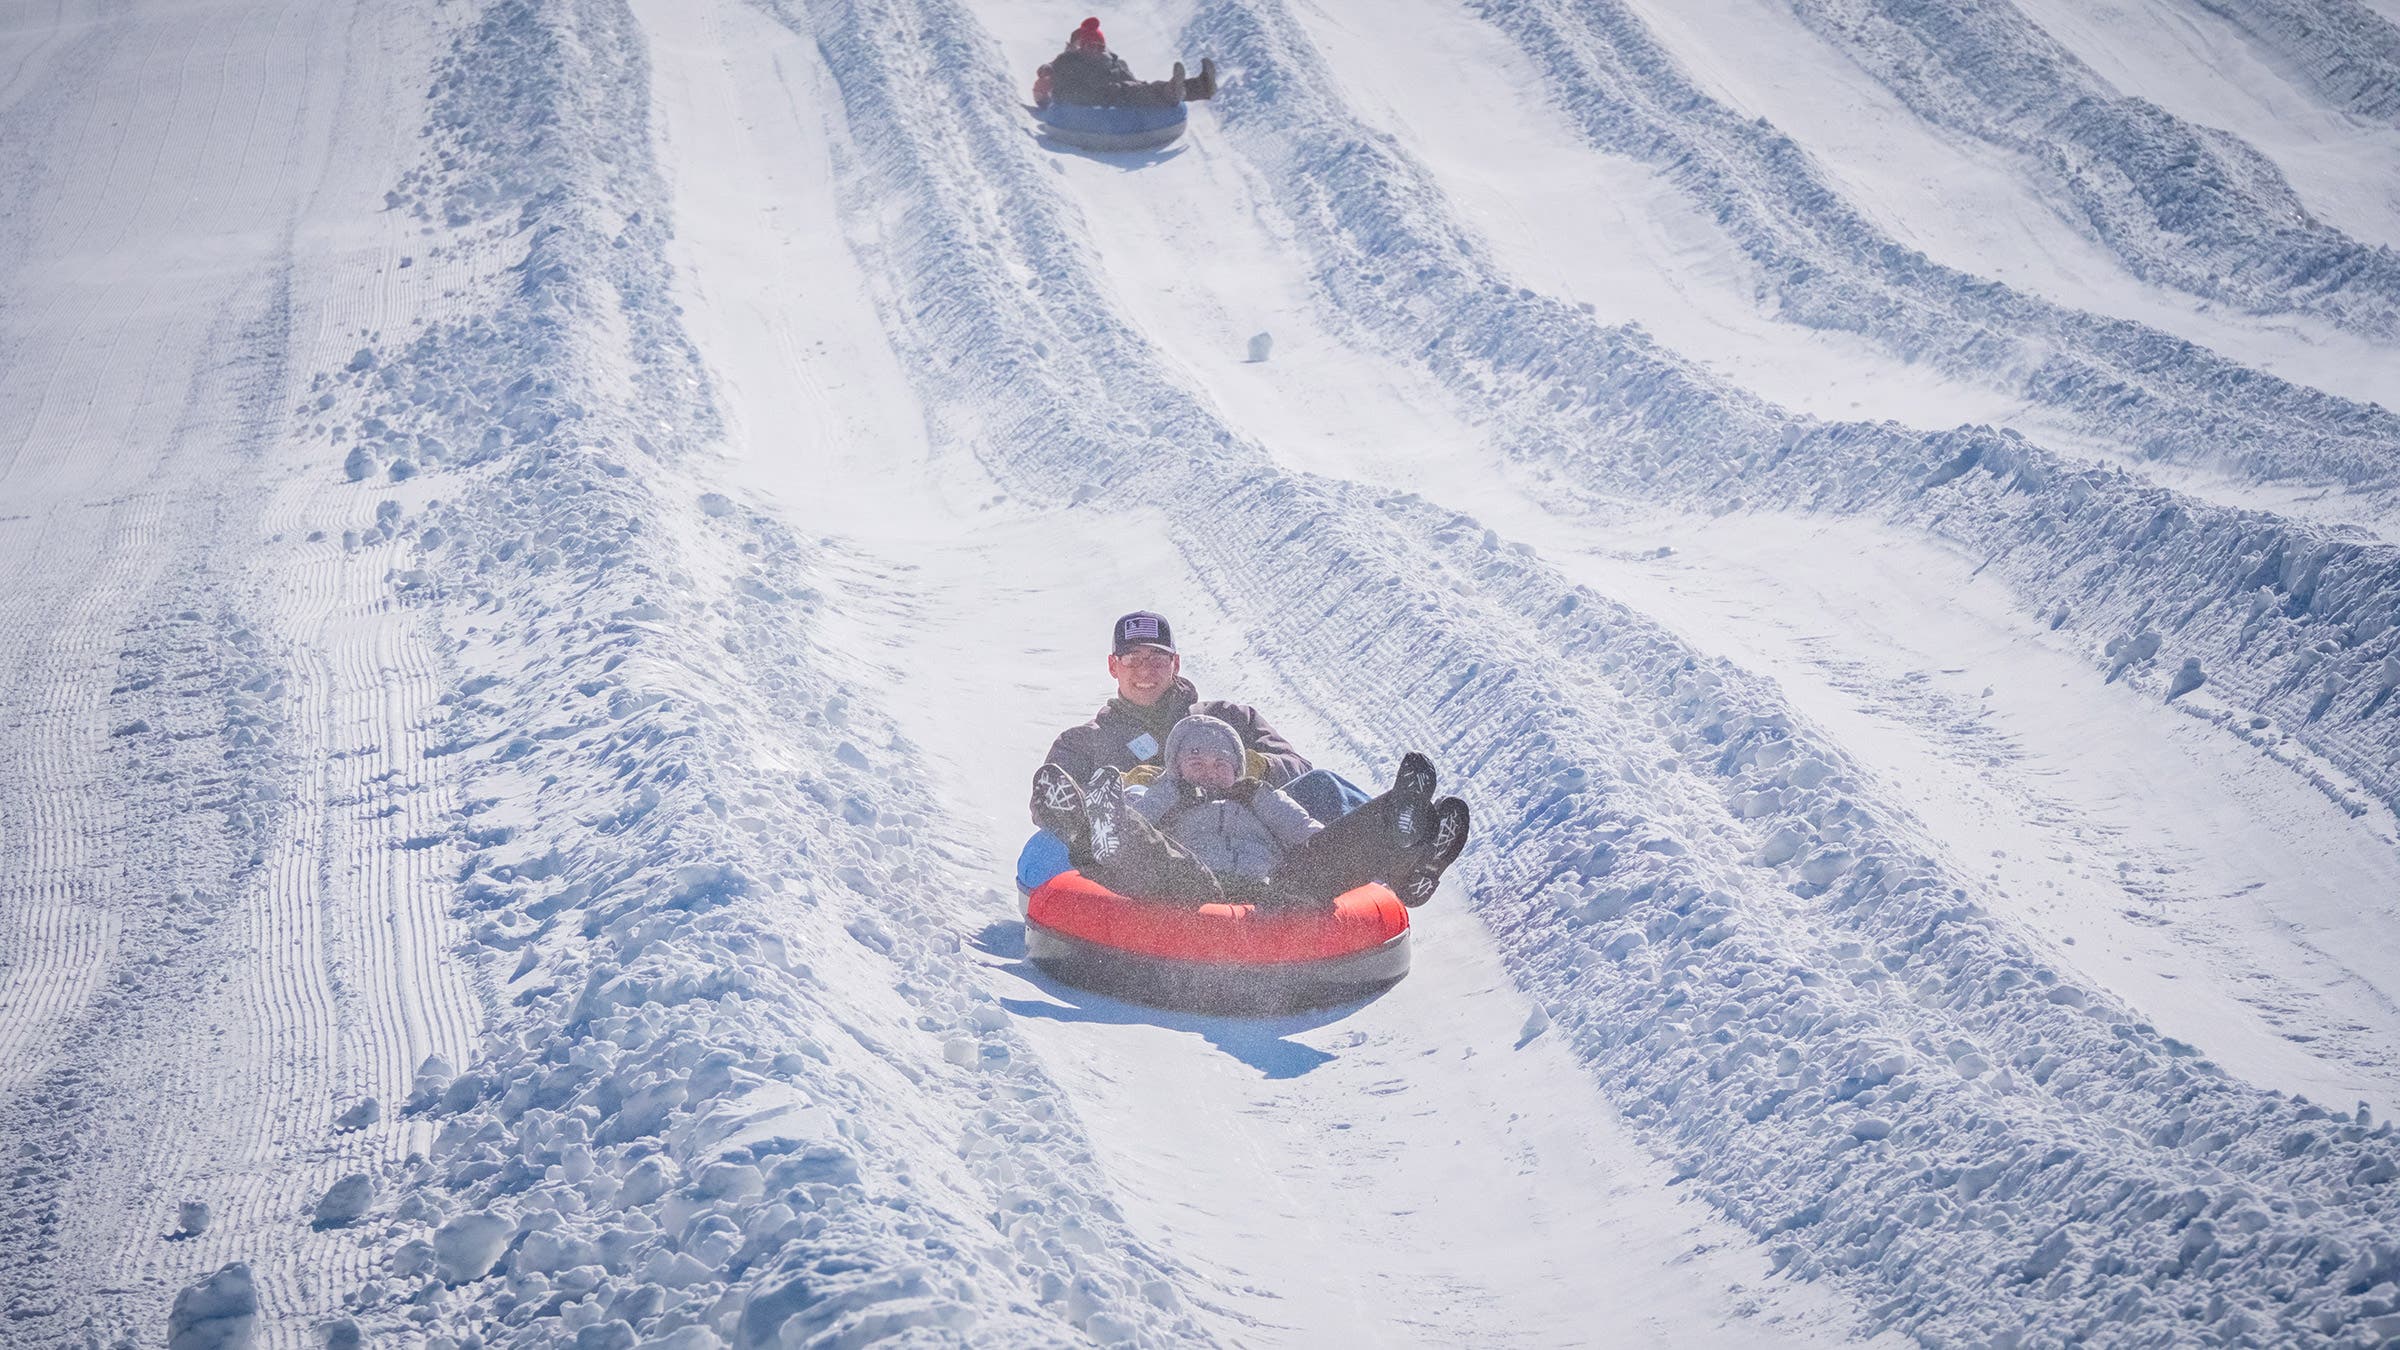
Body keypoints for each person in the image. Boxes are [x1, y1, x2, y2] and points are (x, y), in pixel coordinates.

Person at [1017, 610, 1367, 895]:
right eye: (1133, 660)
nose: (1145, 671)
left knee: (1325, 785)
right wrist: (1122, 788)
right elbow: (1050, 807)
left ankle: (1398, 845)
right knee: (1054, 842)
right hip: (1160, 865)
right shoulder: (1083, 742)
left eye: (1157, 659)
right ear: (1113, 666)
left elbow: (1298, 769)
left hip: (1254, 843)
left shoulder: (1228, 719)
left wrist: (1248, 767)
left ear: (1176, 664)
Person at [1031, 714, 1471, 908]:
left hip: (1271, 884)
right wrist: (1172, 791)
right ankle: (1096, 833)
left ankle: (1400, 837)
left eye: (1222, 763)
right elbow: (1142, 811)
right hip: (1198, 882)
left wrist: (1260, 797)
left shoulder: (1257, 798)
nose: (1210, 770)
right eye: (1196, 762)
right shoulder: (1168, 794)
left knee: (1320, 860)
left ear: (1237, 769)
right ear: (1177, 766)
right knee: (1162, 862)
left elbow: (1306, 832)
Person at [1031, 17, 1216, 109]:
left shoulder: (1111, 61)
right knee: (1130, 90)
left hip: (1115, 95)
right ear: (1077, 46)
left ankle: (1200, 86)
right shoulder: (1066, 62)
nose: (1093, 49)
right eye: (1087, 45)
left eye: (1098, 46)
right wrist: (1046, 78)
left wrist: (1134, 86)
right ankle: (1171, 91)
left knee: (1144, 89)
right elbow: (1046, 82)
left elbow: (1133, 82)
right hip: (1089, 100)